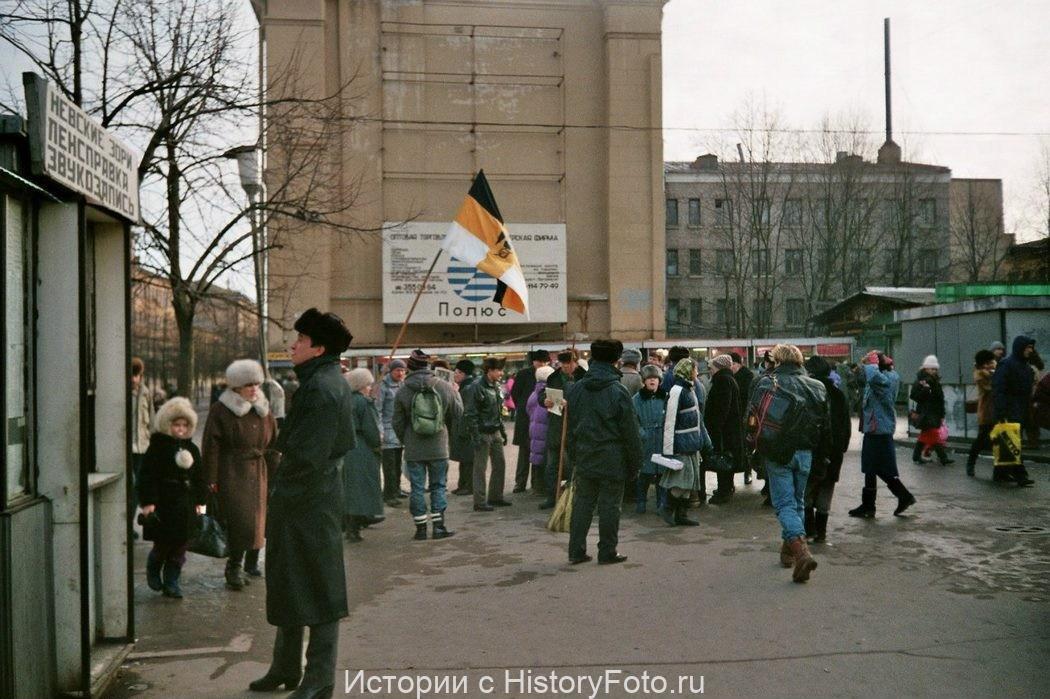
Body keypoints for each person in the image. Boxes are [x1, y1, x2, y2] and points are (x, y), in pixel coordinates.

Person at [250, 308, 355, 698]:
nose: (293, 345)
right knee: (293, 583)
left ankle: (319, 677)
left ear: (319, 348)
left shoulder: (323, 387)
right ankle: (286, 667)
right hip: (307, 500)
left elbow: (308, 457)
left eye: (301, 340)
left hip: (309, 503)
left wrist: (283, 489)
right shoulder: (321, 381)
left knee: (318, 588)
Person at [747, 344, 828, 583]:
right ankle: (788, 552)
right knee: (797, 502)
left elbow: (752, 418)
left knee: (784, 505)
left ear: (777, 360)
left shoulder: (766, 383)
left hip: (777, 452)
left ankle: (801, 552)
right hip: (805, 452)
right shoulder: (817, 386)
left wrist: (751, 445)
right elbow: (825, 424)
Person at [202, 359, 278, 591]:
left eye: (256, 383)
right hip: (233, 472)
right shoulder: (221, 410)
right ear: (236, 387)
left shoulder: (264, 409)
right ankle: (234, 566)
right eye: (248, 385)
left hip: (260, 471)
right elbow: (211, 446)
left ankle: (250, 564)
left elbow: (273, 442)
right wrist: (212, 479)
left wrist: (276, 470)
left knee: (259, 519)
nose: (254, 388)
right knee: (240, 521)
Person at [566, 339, 643, 564]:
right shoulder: (617, 390)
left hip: (584, 454)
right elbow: (630, 432)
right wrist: (636, 462)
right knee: (610, 506)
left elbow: (569, 427)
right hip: (612, 457)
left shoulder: (577, 388)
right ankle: (607, 551)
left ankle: (576, 550)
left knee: (583, 504)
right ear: (616, 360)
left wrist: (573, 455)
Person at [138, 397, 207, 599]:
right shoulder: (157, 448)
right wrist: (149, 502)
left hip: (186, 505)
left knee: (180, 548)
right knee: (163, 544)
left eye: (185, 425)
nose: (181, 429)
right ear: (168, 425)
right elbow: (147, 476)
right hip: (164, 505)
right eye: (176, 424)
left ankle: (172, 582)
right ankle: (154, 566)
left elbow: (199, 478)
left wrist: (201, 503)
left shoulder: (192, 449)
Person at [393, 349, 464, 538]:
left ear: (409, 367)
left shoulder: (403, 390)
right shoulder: (443, 386)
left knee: (417, 488)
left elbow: (397, 423)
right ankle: (439, 527)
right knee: (438, 486)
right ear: (428, 366)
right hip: (438, 445)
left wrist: (406, 439)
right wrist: (456, 393)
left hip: (414, 447)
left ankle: (421, 529)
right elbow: (458, 414)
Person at [848, 351, 917, 519]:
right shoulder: (880, 376)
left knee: (879, 467)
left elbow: (874, 379)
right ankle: (870, 505)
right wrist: (861, 369)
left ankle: (902, 496)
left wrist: (870, 365)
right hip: (874, 429)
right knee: (871, 468)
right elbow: (864, 381)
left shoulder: (889, 378)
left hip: (880, 430)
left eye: (870, 365)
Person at [802, 355, 851, 543]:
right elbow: (846, 425)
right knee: (826, 491)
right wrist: (841, 448)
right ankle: (821, 533)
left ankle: (809, 529)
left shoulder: (810, 392)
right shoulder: (838, 393)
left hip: (814, 450)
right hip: (835, 451)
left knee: (806, 492)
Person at [659, 358, 710, 527]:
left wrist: (704, 439)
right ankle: (667, 507)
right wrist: (669, 450)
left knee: (690, 481)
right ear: (688, 371)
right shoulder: (677, 391)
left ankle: (681, 514)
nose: (697, 372)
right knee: (681, 481)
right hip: (682, 444)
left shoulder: (689, 389)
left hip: (691, 443)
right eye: (695, 369)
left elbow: (698, 419)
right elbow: (669, 421)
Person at [539, 349, 587, 509]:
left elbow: (588, 401)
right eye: (563, 363)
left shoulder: (584, 377)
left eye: (569, 363)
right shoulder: (553, 377)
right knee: (552, 465)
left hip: (576, 428)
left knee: (576, 464)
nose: (566, 367)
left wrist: (571, 404)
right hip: (556, 426)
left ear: (575, 362)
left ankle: (576, 497)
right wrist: (544, 400)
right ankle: (552, 496)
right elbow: (542, 394)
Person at [463, 357, 511, 512]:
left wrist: (502, 431)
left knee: (499, 465)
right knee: (480, 468)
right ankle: (480, 501)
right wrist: (475, 435)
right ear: (490, 370)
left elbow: (498, 410)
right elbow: (471, 413)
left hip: (495, 430)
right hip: (483, 432)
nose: (501, 373)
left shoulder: (495, 386)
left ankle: (495, 496)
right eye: (499, 370)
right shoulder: (476, 387)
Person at [341, 368, 383, 543]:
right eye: (367, 384)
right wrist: (377, 445)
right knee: (362, 489)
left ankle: (349, 526)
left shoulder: (344, 401)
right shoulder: (364, 403)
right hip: (362, 448)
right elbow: (371, 429)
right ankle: (355, 528)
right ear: (360, 385)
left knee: (349, 489)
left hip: (346, 448)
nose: (370, 388)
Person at [990, 335, 1036, 486]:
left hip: (1021, 409)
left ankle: (999, 474)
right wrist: (1001, 411)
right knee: (1014, 443)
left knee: (1009, 441)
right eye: (1028, 347)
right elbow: (998, 389)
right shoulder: (1006, 364)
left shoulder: (1026, 366)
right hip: (1010, 409)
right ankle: (1020, 475)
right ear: (1020, 348)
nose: (1030, 350)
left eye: (1031, 347)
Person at [510, 350, 550, 494]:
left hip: (541, 420)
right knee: (524, 452)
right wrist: (524, 407)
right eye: (539, 361)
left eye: (544, 362)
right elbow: (515, 394)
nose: (541, 364)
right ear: (533, 361)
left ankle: (536, 484)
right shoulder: (524, 374)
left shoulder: (549, 375)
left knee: (538, 453)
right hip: (525, 419)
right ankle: (520, 483)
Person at [705, 354, 743, 505]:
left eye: (711, 367)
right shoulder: (729, 379)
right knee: (727, 459)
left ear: (718, 367)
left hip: (724, 431)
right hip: (730, 429)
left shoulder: (722, 381)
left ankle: (723, 491)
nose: (710, 370)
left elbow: (722, 408)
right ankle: (726, 488)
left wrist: (715, 426)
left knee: (723, 459)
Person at [632, 364, 667, 514]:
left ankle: (661, 503)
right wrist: (642, 433)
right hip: (646, 441)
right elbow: (633, 420)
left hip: (661, 439)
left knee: (661, 474)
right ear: (644, 381)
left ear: (659, 380)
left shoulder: (666, 397)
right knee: (645, 474)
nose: (652, 381)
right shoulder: (637, 399)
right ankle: (641, 502)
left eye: (655, 378)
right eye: (649, 378)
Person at [909, 355, 954, 465]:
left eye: (935, 369)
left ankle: (916, 456)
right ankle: (943, 458)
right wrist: (925, 389)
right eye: (931, 369)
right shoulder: (921, 380)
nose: (933, 371)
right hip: (926, 412)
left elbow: (940, 399)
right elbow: (914, 395)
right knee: (933, 435)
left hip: (934, 412)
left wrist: (942, 413)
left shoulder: (935, 380)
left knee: (926, 435)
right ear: (925, 368)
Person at [377, 359, 408, 507]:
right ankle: (389, 494)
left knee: (397, 463)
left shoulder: (403, 385)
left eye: (403, 370)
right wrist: (380, 430)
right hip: (387, 431)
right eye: (398, 370)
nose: (401, 373)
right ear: (391, 371)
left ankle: (396, 489)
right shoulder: (382, 386)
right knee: (389, 465)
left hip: (399, 430)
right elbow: (378, 410)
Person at [130, 357, 154, 538]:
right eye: (131, 375)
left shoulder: (145, 393)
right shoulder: (122, 393)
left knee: (139, 487)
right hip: (127, 448)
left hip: (143, 448)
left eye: (136, 375)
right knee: (131, 487)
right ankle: (128, 525)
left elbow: (151, 420)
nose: (133, 379)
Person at [526, 366, 555, 504]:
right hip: (546, 429)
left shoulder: (533, 393)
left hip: (534, 429)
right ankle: (544, 488)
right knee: (546, 459)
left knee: (536, 456)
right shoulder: (550, 393)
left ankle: (537, 486)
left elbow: (528, 409)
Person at [966, 349, 997, 477]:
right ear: (983, 364)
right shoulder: (980, 375)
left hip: (997, 411)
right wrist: (995, 375)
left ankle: (1000, 471)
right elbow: (992, 387)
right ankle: (970, 463)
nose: (991, 364)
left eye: (992, 361)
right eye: (988, 362)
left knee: (998, 441)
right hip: (986, 412)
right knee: (980, 440)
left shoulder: (994, 372)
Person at [450, 359, 477, 495]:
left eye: (458, 372)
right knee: (463, 457)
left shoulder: (468, 388)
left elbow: (464, 408)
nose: (455, 375)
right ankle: (462, 485)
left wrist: (455, 393)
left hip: (466, 427)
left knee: (467, 458)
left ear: (464, 374)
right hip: (463, 427)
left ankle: (468, 486)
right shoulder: (466, 385)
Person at [730, 352, 754, 484]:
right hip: (735, 416)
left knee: (746, 446)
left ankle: (747, 471)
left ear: (739, 364)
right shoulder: (731, 376)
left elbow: (748, 397)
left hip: (745, 415)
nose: (731, 367)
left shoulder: (747, 376)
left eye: (733, 364)